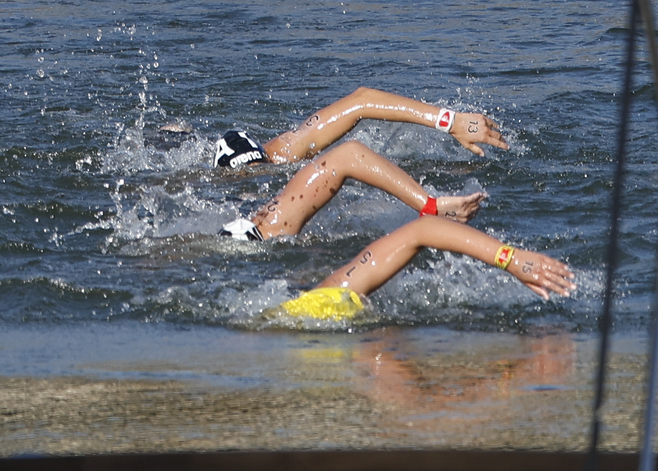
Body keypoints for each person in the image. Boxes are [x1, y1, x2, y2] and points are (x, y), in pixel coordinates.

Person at [213, 87, 507, 240]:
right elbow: (349, 155)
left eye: (264, 164)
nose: (263, 174)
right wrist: (430, 206)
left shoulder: (284, 154)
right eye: (253, 173)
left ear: (269, 155)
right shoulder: (270, 218)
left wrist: (450, 121)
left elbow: (362, 100)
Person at [273, 215, 576, 321]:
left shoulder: (316, 303)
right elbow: (421, 230)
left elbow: (422, 230)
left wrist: (511, 259)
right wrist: (509, 259)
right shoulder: (315, 303)